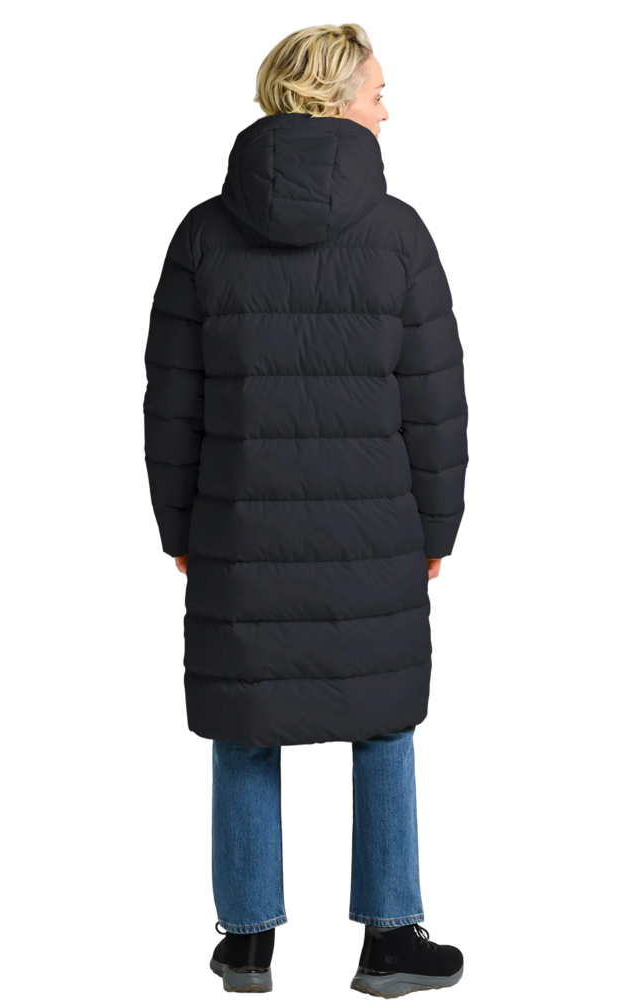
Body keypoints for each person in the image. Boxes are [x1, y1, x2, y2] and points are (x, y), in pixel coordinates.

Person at [143, 22, 467, 997]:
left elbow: (171, 399)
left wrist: (176, 525)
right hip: (377, 528)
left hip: (237, 529)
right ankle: (391, 939)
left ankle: (244, 944)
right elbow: (434, 401)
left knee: (245, 720)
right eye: (377, 92)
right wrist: (439, 527)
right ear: (332, 100)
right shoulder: (400, 232)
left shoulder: (202, 229)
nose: (387, 111)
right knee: (384, 721)